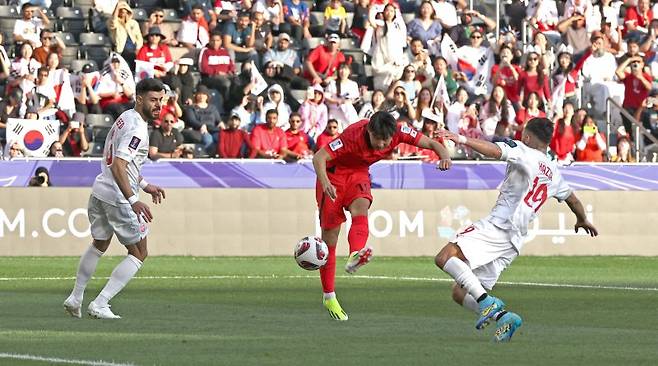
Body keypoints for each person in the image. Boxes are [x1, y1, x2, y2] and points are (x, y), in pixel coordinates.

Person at [435, 117, 598, 342]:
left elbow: (493, 151)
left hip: (499, 226)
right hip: (514, 241)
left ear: (528, 136)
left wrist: (461, 138)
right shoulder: (553, 171)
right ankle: (505, 318)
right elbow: (573, 200)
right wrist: (582, 220)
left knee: (444, 257)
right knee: (460, 292)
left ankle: (487, 303)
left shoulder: (523, 150)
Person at [312, 111, 452, 320]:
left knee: (361, 207)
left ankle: (355, 255)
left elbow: (432, 144)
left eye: (386, 140)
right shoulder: (352, 135)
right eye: (378, 139)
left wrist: (445, 156)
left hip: (358, 173)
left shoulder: (398, 131)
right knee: (330, 239)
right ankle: (329, 295)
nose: (382, 144)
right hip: (333, 175)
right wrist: (325, 183)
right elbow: (319, 157)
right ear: (369, 131)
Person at [63, 78, 167, 319]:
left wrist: (144, 185)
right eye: (153, 100)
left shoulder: (125, 118)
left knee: (99, 243)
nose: (158, 105)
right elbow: (119, 164)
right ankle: (100, 303)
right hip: (119, 198)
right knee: (139, 252)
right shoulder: (137, 129)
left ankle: (76, 297)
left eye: (161, 100)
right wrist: (133, 199)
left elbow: (123, 162)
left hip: (101, 189)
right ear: (139, 98)